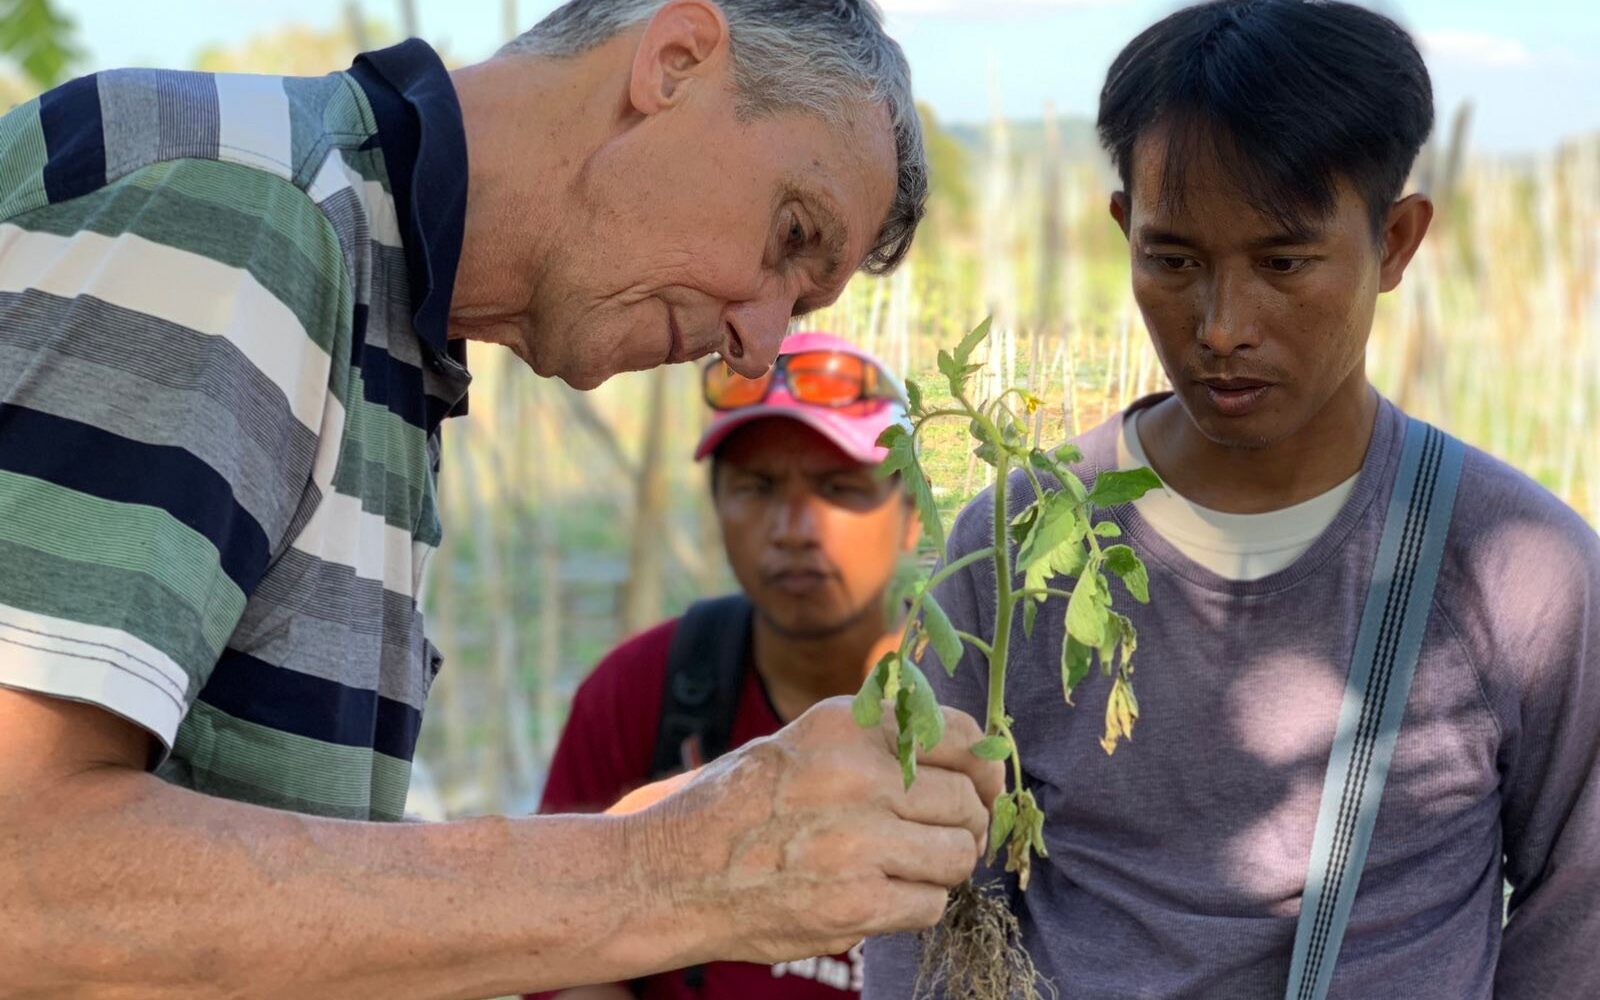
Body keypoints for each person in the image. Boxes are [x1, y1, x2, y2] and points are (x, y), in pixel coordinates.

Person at [0, 2, 1003, 997]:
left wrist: (621, 850)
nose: (761, 340)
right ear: (676, 60)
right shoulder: (240, 211)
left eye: (805, 303)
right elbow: (27, 881)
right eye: (791, 233)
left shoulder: (384, 332)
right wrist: (669, 871)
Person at [864, 2, 1599, 998]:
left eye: (1282, 262)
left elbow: (1577, 913)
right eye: (1173, 261)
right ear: (1122, 231)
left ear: (1395, 242)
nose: (1219, 326)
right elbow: (926, 897)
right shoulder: (1019, 546)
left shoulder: (1518, 572)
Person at [530, 332, 922, 1000]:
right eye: (758, 486)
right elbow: (554, 946)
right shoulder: (642, 692)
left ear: (913, 515)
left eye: (838, 486)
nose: (794, 527)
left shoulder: (983, 704)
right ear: (716, 505)